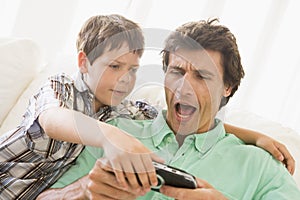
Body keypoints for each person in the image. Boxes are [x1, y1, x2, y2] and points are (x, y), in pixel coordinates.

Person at [0, 14, 294, 199]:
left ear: (227, 88)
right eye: (177, 72)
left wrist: (254, 136)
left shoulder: (263, 167)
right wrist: (79, 192)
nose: (184, 87)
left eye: (202, 76)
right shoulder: (112, 126)